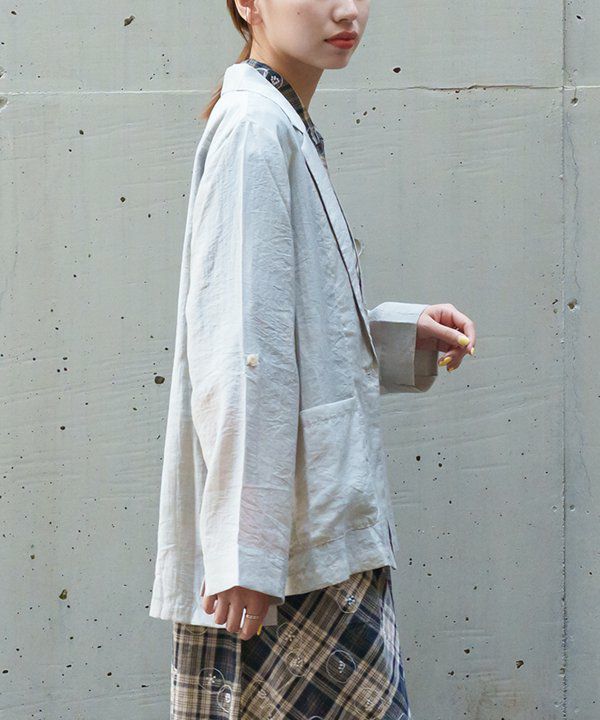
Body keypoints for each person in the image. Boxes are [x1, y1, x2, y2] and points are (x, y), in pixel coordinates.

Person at [149, 1, 477, 717]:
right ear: (247, 3)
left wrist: (397, 335)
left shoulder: (280, 119)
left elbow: (294, 324)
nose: (347, 9)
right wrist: (247, 548)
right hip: (286, 560)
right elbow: (242, 351)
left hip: (310, 537)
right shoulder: (254, 129)